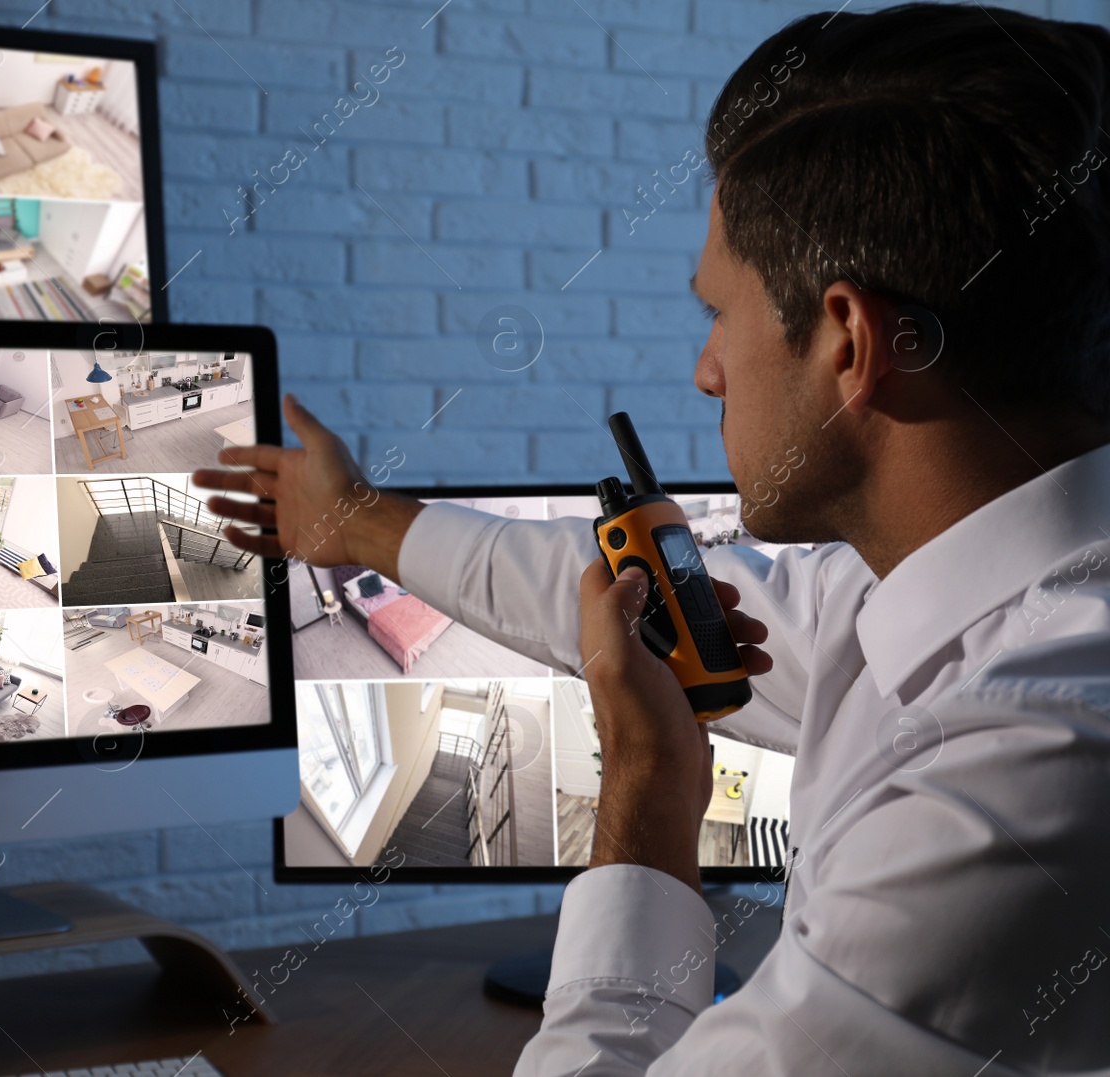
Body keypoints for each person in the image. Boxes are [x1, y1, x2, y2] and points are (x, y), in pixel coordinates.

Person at [194, 4, 1110, 1073]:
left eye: (718, 314)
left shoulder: (1008, 790)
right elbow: (605, 596)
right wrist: (359, 525)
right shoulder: (930, 598)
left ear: (851, 343)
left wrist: (643, 779)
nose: (704, 370)